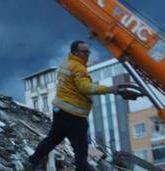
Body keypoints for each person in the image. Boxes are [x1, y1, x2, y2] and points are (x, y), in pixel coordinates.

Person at [24, 40, 119, 171]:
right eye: (84, 52)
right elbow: (85, 87)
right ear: (75, 52)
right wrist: (109, 89)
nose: (87, 54)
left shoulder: (66, 64)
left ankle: (31, 162)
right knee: (81, 149)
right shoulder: (78, 68)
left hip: (60, 111)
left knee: (52, 140)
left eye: (88, 52)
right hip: (74, 116)